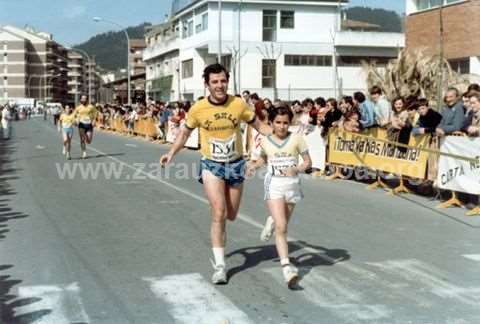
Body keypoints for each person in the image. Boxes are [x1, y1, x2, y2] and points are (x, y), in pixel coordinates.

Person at [159, 63, 271, 284]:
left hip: (236, 164)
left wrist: (284, 138)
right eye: (215, 82)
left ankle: (221, 234)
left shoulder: (238, 104)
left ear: (227, 81)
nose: (219, 85)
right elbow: (184, 133)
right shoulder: (198, 108)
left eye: (223, 81)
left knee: (231, 215)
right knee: (218, 212)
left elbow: (260, 126)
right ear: (207, 84)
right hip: (212, 164)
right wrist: (171, 153)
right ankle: (220, 267)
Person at [246, 104, 312, 289]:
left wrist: (297, 168)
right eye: (278, 122)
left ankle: (271, 220)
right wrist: (253, 166)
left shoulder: (297, 139)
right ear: (271, 123)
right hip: (274, 184)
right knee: (282, 227)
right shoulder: (266, 141)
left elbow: (308, 162)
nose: (282, 126)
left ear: (289, 122)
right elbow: (263, 159)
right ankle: (286, 267)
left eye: (285, 123)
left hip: (292, 185)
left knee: (282, 223)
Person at [74, 95, 97, 159]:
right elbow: (74, 115)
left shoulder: (91, 107)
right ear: (81, 99)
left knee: (89, 141)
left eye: (85, 99)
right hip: (81, 124)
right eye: (82, 98)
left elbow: (95, 113)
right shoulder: (78, 107)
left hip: (89, 124)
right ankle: (84, 152)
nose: (83, 100)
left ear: (87, 100)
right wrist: (75, 121)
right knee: (82, 139)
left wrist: (94, 120)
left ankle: (86, 136)